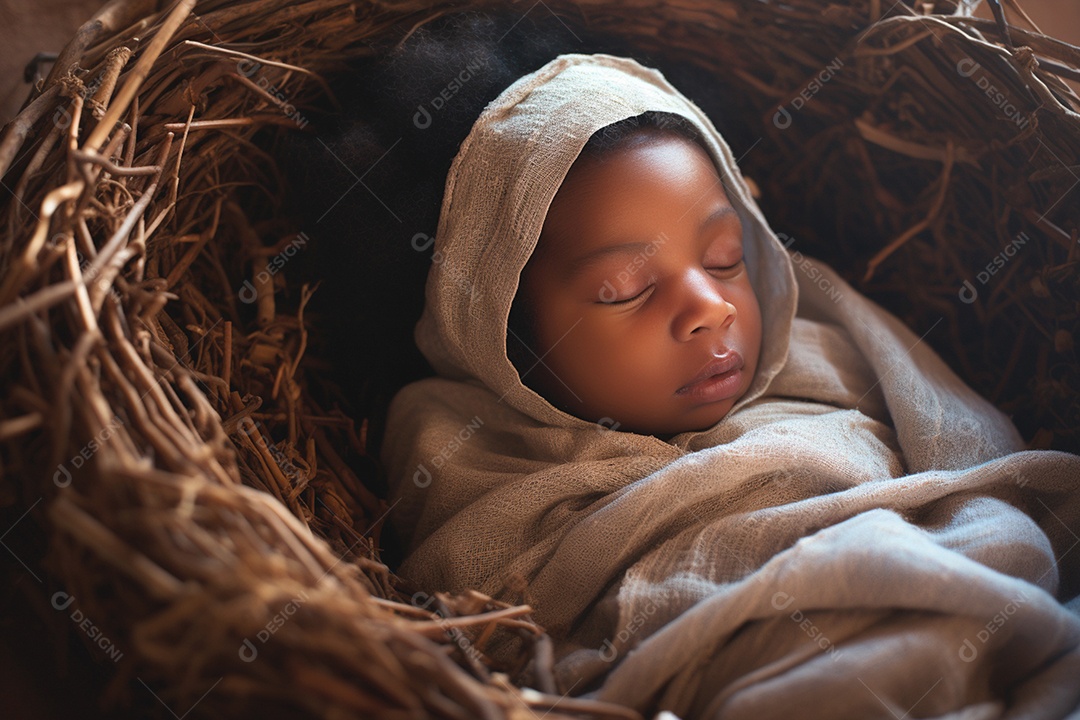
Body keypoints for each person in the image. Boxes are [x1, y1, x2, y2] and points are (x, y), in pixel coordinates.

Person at [378, 50, 1080, 719]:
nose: (711, 309)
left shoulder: (825, 355)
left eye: (724, 258)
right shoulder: (476, 460)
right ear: (508, 334)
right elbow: (503, 636)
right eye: (623, 290)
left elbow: (974, 468)